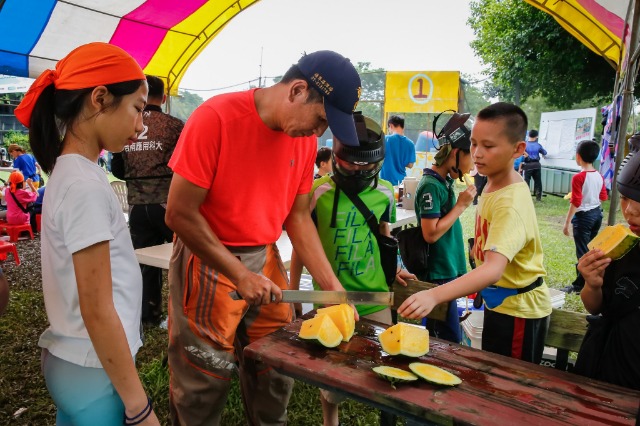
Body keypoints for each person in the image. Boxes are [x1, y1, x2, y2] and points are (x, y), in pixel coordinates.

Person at [165, 50, 362, 425]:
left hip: (266, 256)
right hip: (208, 259)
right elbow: (179, 213)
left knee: (275, 367)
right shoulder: (216, 118)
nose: (318, 134)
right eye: (320, 119)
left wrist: (333, 289)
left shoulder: (301, 140)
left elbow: (298, 217)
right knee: (204, 376)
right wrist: (238, 274)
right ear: (298, 90)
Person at [14, 42, 159, 425]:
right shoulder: (86, 186)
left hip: (73, 359)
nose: (141, 124)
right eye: (137, 108)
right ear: (99, 98)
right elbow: (97, 310)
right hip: (93, 368)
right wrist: (139, 406)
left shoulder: (69, 171)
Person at [398, 103, 552, 365]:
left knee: (509, 385)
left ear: (518, 149)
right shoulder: (492, 182)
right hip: (500, 302)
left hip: (520, 312)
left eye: (488, 146)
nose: (477, 154)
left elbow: (493, 269)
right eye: (473, 144)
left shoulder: (510, 201)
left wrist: (434, 294)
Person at [288, 112, 416, 426]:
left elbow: (384, 233)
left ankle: (386, 419)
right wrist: (296, 297)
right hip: (330, 300)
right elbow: (303, 244)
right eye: (350, 164)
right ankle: (330, 420)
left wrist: (395, 265)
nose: (358, 171)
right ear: (337, 157)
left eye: (365, 166)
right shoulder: (318, 192)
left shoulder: (385, 191)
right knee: (330, 375)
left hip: (375, 296)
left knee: (386, 367)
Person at [111, 74, 184, 326]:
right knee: (181, 260)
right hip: (169, 204)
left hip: (137, 205)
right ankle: (182, 314)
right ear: (163, 97)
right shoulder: (175, 125)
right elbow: (185, 167)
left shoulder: (129, 122)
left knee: (145, 263)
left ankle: (148, 316)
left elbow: (118, 169)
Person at [573, 150, 640, 390]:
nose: (630, 210)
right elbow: (596, 306)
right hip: (603, 367)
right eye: (624, 198)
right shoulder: (623, 244)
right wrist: (592, 283)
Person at [414, 113, 476, 343]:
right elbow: (430, 234)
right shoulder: (430, 185)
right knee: (443, 336)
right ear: (455, 154)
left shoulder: (445, 181)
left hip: (448, 269)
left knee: (448, 332)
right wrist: (460, 206)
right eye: (471, 156)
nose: (470, 167)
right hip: (437, 273)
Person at [562, 140, 607, 294]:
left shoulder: (578, 178)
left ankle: (578, 286)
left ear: (578, 156)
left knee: (583, 253)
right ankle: (592, 280)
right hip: (596, 215)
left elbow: (576, 201)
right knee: (590, 250)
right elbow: (603, 197)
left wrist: (567, 222)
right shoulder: (599, 175)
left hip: (584, 217)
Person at [379, 115, 416, 185]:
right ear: (403, 126)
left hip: (385, 182)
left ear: (391, 125)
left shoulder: (384, 139)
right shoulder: (410, 143)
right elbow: (410, 165)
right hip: (401, 182)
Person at [522, 129, 547, 201]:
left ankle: (526, 198)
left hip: (527, 165)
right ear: (536, 136)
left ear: (528, 135)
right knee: (538, 181)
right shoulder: (538, 145)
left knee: (526, 181)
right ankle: (538, 198)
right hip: (537, 165)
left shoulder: (525, 145)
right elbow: (545, 153)